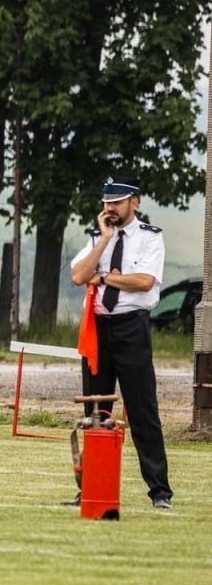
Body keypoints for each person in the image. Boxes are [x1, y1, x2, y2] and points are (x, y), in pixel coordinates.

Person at [68, 174, 173, 509]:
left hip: (131, 328)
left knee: (143, 409)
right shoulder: (98, 235)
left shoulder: (149, 238)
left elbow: (143, 281)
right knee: (96, 411)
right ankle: (91, 488)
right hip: (98, 329)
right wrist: (103, 241)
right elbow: (77, 276)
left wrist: (105, 277)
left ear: (134, 202)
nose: (109, 207)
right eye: (106, 202)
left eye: (116, 202)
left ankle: (159, 491)